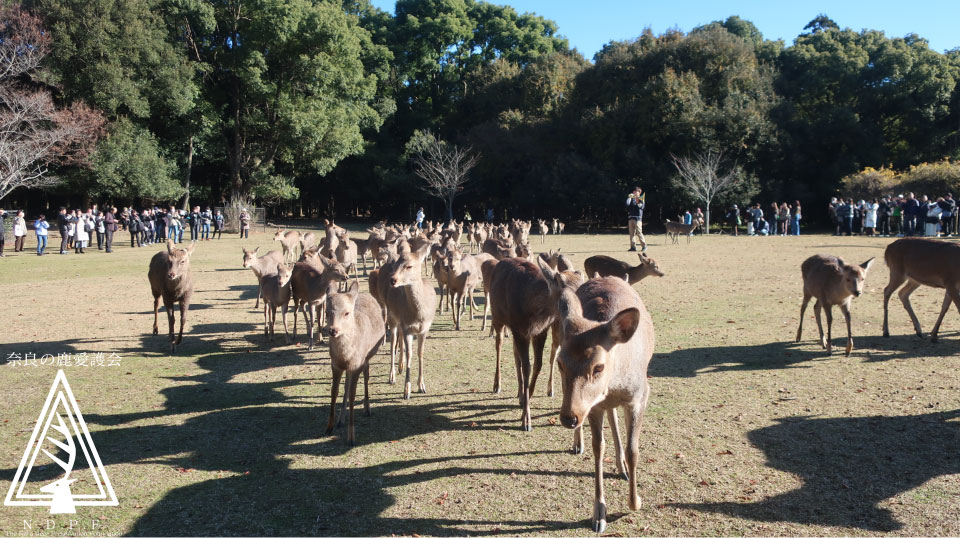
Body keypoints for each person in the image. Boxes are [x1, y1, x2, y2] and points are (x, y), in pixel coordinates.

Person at [625, 186, 647, 251]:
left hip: (638, 219)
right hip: (631, 218)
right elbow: (627, 204)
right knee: (631, 233)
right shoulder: (631, 199)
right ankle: (633, 247)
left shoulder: (641, 199)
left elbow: (641, 206)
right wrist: (629, 198)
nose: (634, 192)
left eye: (636, 191)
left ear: (639, 192)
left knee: (639, 232)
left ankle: (644, 246)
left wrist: (637, 198)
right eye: (634, 191)